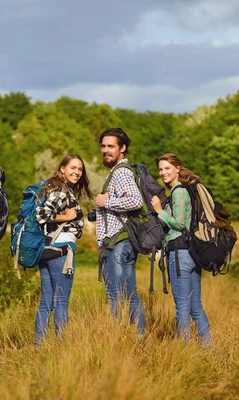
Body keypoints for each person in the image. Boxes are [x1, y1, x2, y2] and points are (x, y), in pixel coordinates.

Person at [151, 153, 212, 346]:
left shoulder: (178, 192)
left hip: (179, 254)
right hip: (192, 254)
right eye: (161, 169)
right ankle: (207, 348)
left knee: (182, 307)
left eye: (167, 168)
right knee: (195, 306)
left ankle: (183, 351)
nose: (163, 172)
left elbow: (178, 223)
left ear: (178, 168)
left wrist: (160, 211)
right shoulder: (187, 191)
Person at [34, 153, 92, 346]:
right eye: (73, 168)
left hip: (47, 249)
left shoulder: (53, 188)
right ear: (62, 169)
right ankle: (62, 346)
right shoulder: (61, 191)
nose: (77, 172)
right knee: (61, 301)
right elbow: (42, 215)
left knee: (46, 302)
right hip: (61, 251)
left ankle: (39, 346)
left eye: (80, 169)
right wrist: (67, 217)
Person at [94, 128, 145, 337]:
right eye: (103, 146)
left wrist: (106, 202)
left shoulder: (122, 172)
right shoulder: (118, 171)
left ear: (122, 148)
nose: (106, 150)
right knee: (129, 294)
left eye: (111, 146)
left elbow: (135, 200)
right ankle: (138, 337)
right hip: (122, 243)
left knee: (116, 295)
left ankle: (123, 337)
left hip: (118, 244)